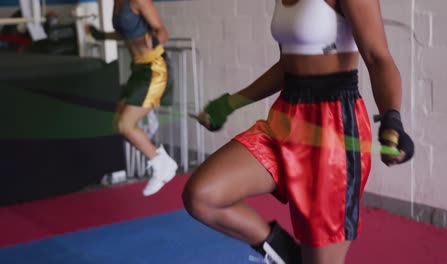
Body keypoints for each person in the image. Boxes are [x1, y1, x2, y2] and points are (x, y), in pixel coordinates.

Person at [183, 0, 415, 263]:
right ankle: (286, 254)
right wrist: (232, 102)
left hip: (334, 129)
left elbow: (377, 56)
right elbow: (287, 65)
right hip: (285, 119)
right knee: (202, 196)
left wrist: (391, 118)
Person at [86, 0, 178, 196]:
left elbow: (162, 31)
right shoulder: (117, 2)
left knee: (125, 125)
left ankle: (162, 165)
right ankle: (155, 153)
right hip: (139, 69)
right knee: (118, 121)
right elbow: (126, 32)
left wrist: (154, 40)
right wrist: (100, 35)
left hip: (155, 68)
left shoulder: (139, 1)